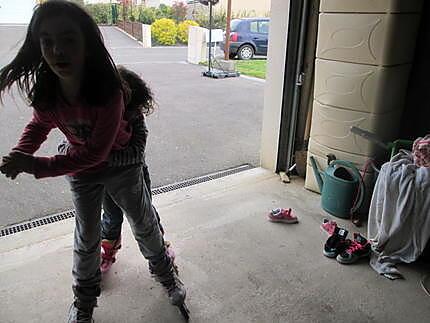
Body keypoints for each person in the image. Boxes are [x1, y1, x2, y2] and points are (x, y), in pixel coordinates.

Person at [0, 1, 186, 322]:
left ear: (87, 43)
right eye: (47, 41)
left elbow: (97, 153)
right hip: (82, 171)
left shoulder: (108, 92)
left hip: (122, 165)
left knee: (144, 224)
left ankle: (168, 277)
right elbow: (39, 124)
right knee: (86, 235)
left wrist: (36, 166)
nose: (58, 50)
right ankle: (84, 302)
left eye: (69, 39)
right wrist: (22, 151)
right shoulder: (49, 92)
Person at [57, 66, 175, 274]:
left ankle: (159, 249)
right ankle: (109, 249)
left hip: (132, 175)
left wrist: (97, 157)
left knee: (146, 215)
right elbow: (66, 145)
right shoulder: (94, 114)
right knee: (111, 216)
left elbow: (136, 153)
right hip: (102, 177)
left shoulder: (135, 119)